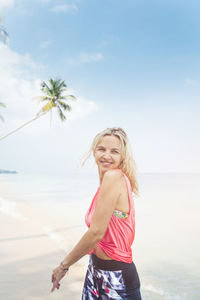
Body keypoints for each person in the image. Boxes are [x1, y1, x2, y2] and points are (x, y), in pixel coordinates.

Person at [51, 127, 142, 299]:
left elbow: (95, 233)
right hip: (96, 270)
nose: (106, 155)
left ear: (123, 157)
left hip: (117, 276)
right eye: (102, 149)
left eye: (114, 151)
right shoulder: (106, 182)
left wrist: (63, 266)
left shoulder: (114, 177)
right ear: (94, 151)